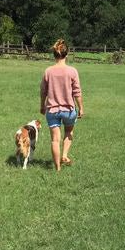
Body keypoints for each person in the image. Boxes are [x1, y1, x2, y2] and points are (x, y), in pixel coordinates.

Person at [40, 39, 84, 171]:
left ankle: (57, 168)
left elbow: (43, 91)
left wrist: (42, 106)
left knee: (55, 140)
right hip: (69, 110)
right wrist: (81, 108)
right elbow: (77, 92)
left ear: (54, 55)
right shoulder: (72, 71)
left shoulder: (48, 71)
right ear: (67, 54)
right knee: (69, 132)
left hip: (52, 110)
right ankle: (64, 155)